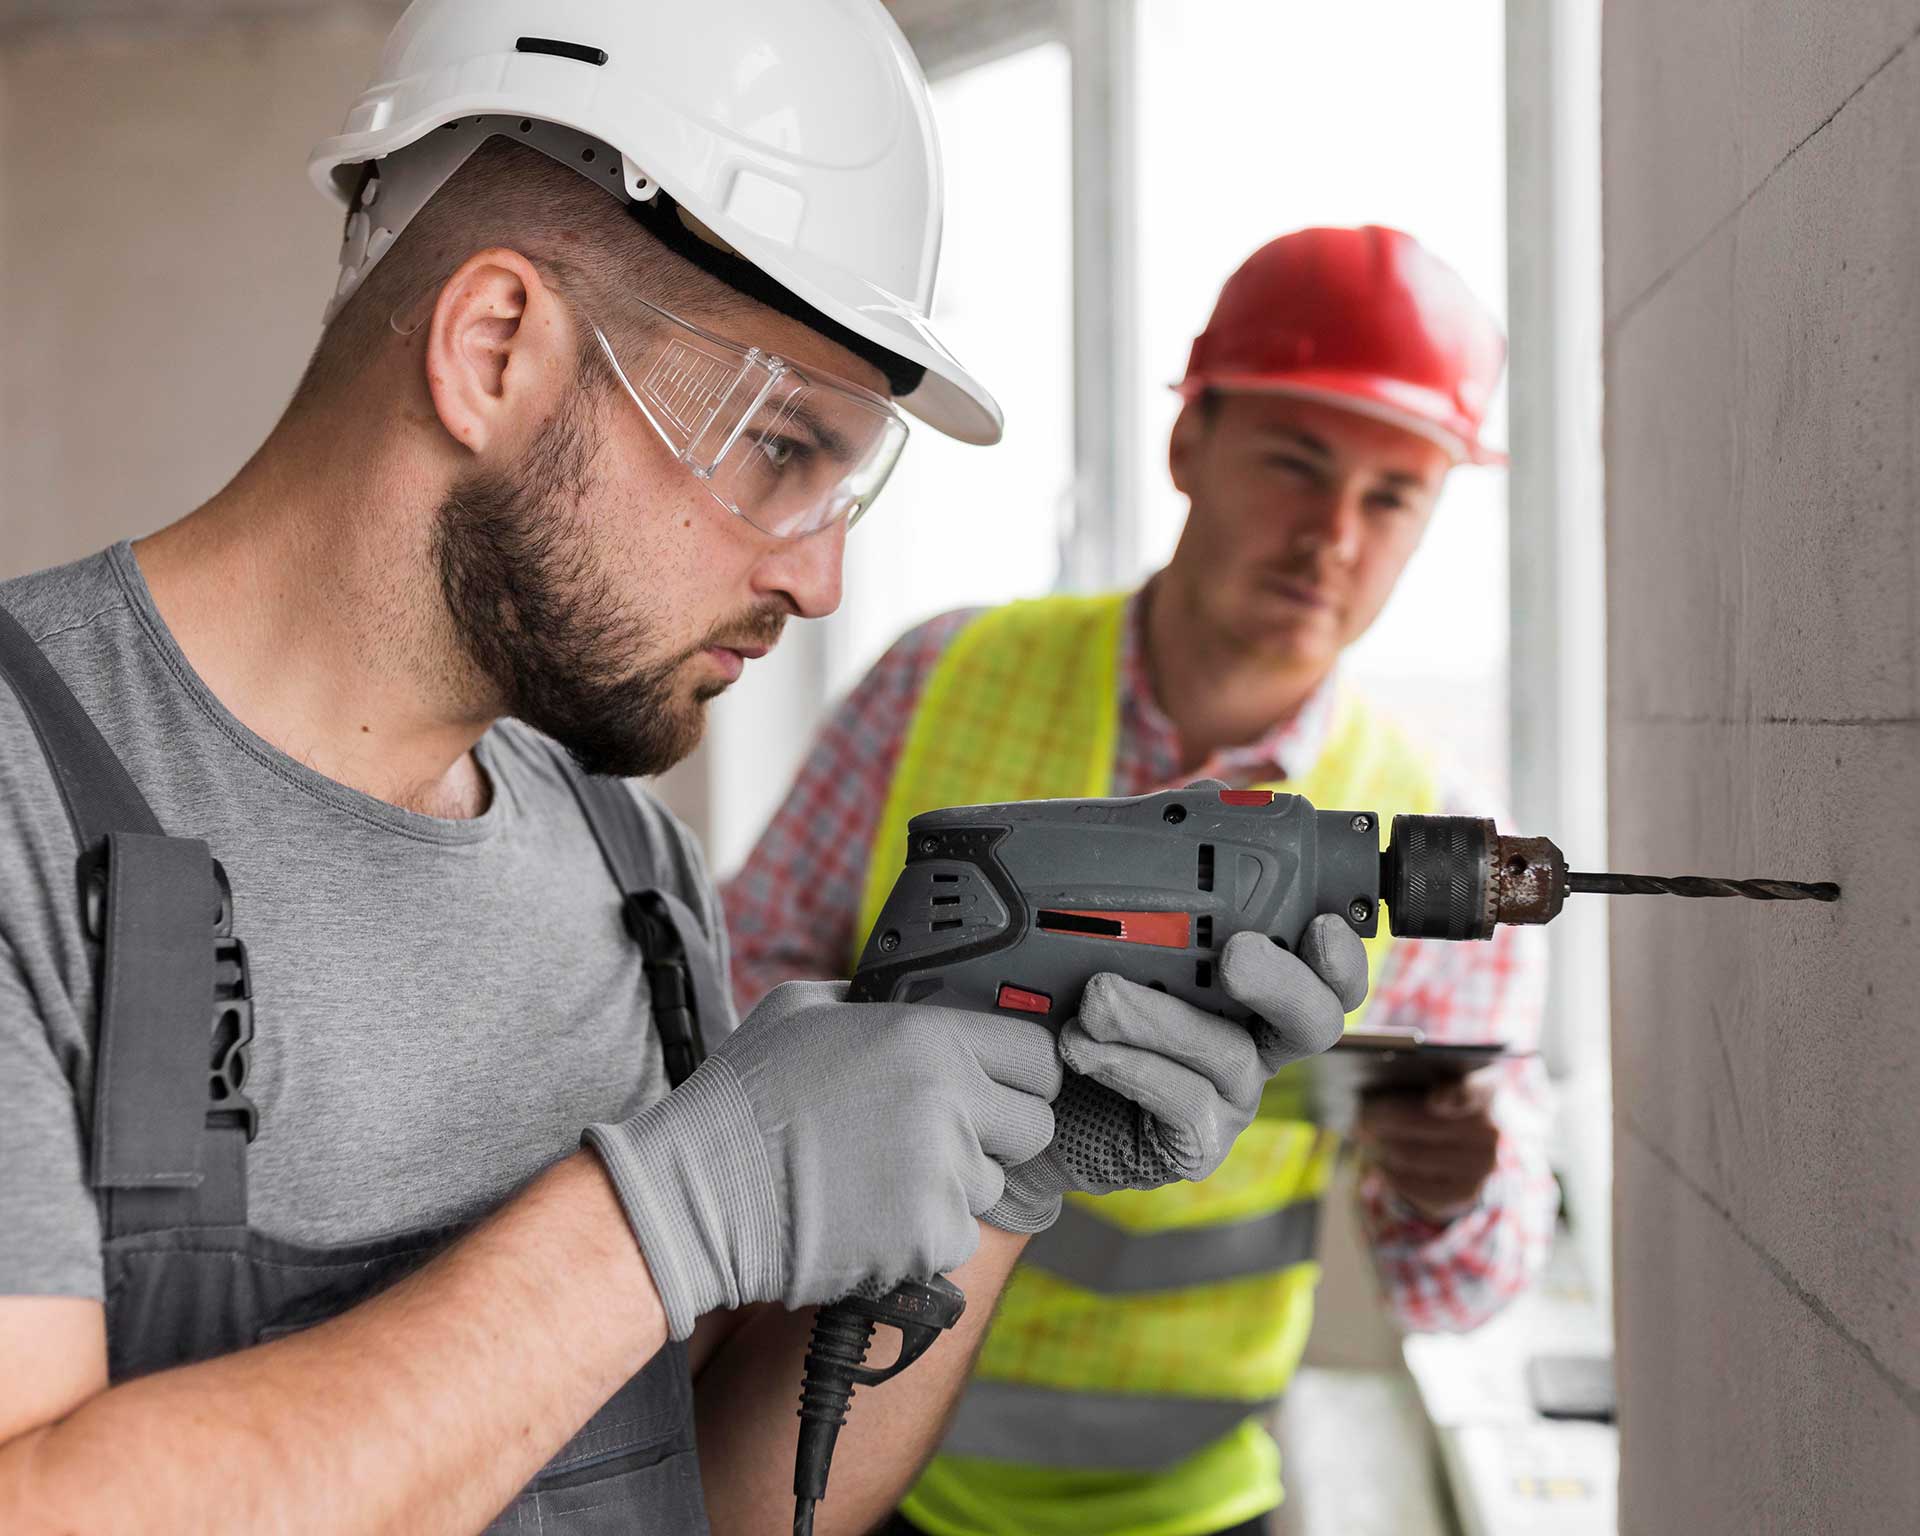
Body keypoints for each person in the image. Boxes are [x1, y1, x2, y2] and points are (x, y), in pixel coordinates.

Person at [0, 7, 1369, 1533]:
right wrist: (661, 1219)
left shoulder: (630, 874)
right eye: (782, 448)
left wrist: (1000, 1178)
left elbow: (711, 1497)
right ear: (496, 348)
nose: (824, 579)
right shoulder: (19, 805)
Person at [725, 224, 1560, 1536]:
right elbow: (726, 1005)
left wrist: (1453, 1184)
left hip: (1201, 1503)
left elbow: (1463, 1292)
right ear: (1189, 447)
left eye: (1394, 496)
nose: (1333, 535)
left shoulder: (1438, 839)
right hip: (860, 1443)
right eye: (1295, 463)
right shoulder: (936, 681)